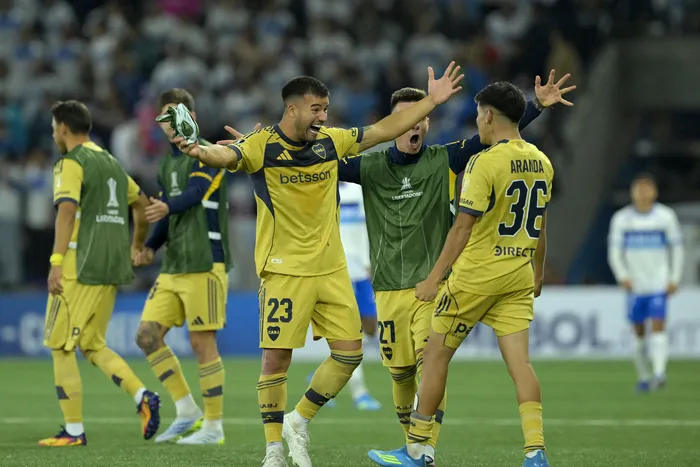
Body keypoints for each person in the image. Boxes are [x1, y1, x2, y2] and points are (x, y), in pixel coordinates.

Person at [174, 65, 464, 467]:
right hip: (284, 271)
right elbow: (227, 155)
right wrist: (198, 149)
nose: (323, 117)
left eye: (326, 109)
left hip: (331, 269)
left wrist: (431, 101)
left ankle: (298, 420)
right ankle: (274, 448)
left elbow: (381, 131)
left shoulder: (332, 142)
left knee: (350, 353)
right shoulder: (262, 146)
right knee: (276, 360)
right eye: (316, 109)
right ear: (292, 110)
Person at [338, 70, 573, 467]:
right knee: (521, 364)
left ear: (487, 117)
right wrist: (538, 269)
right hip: (517, 274)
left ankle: (417, 450)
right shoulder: (542, 162)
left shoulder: (482, 163)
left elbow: (463, 227)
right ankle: (536, 452)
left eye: (480, 113)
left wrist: (433, 279)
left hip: (476, 275)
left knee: (434, 357)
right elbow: (541, 224)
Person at [40, 100, 160, 447]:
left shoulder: (71, 162)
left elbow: (66, 212)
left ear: (63, 128)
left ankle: (74, 431)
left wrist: (56, 260)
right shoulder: (110, 163)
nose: (52, 134)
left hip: (81, 265)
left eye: (53, 128)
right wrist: (136, 246)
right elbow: (141, 204)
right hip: (111, 265)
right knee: (91, 344)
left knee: (60, 346)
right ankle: (142, 396)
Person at [133, 89, 232, 444]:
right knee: (146, 336)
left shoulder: (210, 153)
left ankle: (214, 427)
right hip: (173, 265)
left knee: (201, 342)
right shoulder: (165, 164)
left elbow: (194, 195)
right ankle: (187, 410)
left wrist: (165, 209)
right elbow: (166, 212)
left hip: (205, 262)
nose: (171, 125)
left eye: (177, 116)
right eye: (165, 118)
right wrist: (149, 246)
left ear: (191, 116)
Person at [607, 173, 683, 392]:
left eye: (647, 188)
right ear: (632, 192)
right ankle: (643, 376)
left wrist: (674, 277)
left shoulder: (666, 217)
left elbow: (676, 249)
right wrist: (622, 276)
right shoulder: (622, 219)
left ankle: (659, 374)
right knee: (639, 333)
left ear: (654, 192)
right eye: (639, 189)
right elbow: (614, 252)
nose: (643, 193)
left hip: (658, 283)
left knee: (659, 326)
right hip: (635, 285)